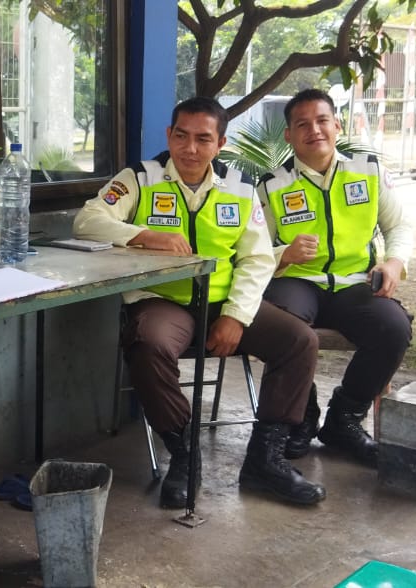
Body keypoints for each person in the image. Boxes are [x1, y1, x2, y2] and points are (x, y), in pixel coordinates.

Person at [73, 97, 326, 508]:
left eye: (203, 139)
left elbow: (258, 259)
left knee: (300, 341)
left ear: (220, 143)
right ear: (169, 135)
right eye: (181, 136)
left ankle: (266, 460)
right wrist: (145, 235)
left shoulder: (240, 187)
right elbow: (86, 220)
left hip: (223, 301)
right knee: (148, 343)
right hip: (162, 300)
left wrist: (236, 316)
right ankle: (184, 454)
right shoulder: (140, 177)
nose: (190, 149)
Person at [258, 88, 414, 467]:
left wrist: (394, 263)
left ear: (337, 125)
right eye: (302, 124)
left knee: (394, 327)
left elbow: (399, 226)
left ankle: (345, 419)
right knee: (281, 324)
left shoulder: (369, 172)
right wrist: (284, 254)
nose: (314, 130)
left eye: (322, 120)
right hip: (297, 281)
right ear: (289, 135)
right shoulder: (271, 185)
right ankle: (301, 416)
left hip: (354, 284)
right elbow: (253, 249)